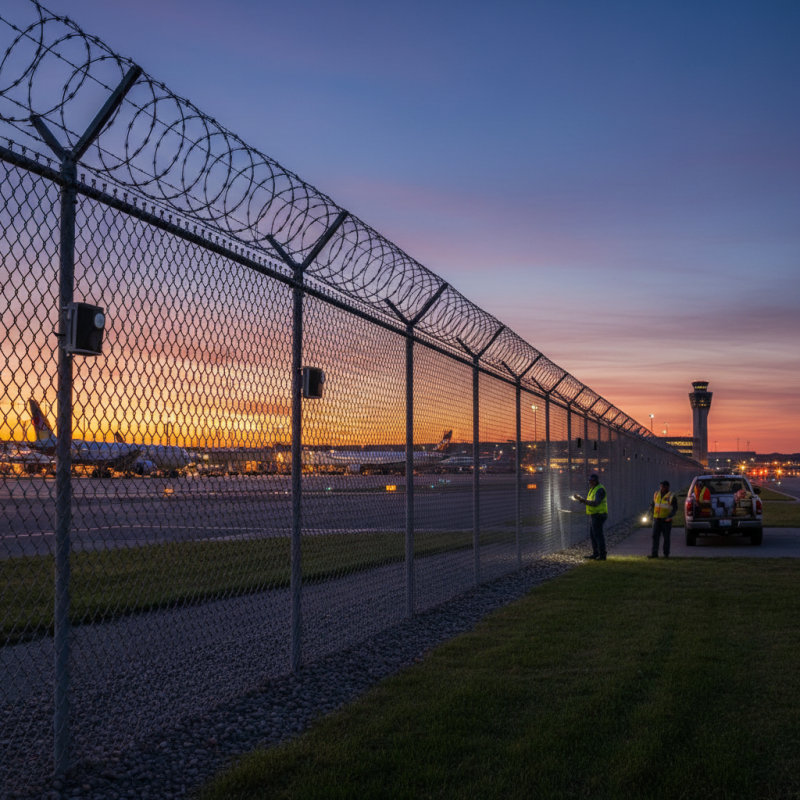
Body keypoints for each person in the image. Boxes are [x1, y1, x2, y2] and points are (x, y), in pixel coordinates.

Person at [574, 473, 608, 560]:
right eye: (589, 480)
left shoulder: (600, 490)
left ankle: (602, 555)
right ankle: (596, 554)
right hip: (595, 515)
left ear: (596, 481)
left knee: (598, 535)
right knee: (593, 535)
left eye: (592, 480)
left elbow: (596, 503)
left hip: (599, 515)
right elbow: (590, 501)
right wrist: (581, 499)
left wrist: (583, 500)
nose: (590, 482)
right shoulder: (593, 489)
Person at [648, 480, 678, 558]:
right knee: (655, 536)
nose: (662, 488)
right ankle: (654, 553)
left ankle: (666, 554)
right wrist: (650, 514)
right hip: (657, 520)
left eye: (663, 486)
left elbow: (675, 508)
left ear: (667, 487)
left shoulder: (671, 496)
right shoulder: (656, 494)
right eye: (661, 486)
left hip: (666, 521)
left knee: (666, 538)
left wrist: (669, 516)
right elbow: (653, 505)